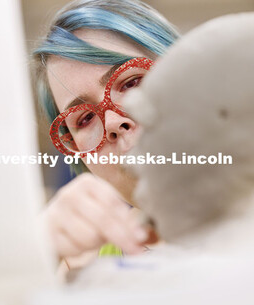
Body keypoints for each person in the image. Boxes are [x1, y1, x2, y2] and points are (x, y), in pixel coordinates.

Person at [32, 0, 179, 269]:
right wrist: (36, 255)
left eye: (131, 82)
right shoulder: (85, 268)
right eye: (85, 119)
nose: (112, 122)